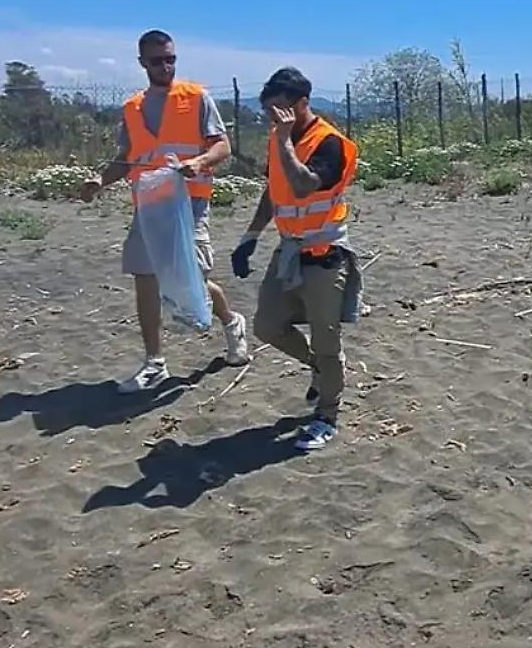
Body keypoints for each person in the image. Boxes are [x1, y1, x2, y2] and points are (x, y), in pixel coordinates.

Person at [80, 29, 249, 391]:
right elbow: (126, 158)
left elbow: (222, 146)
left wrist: (200, 162)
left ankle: (231, 321)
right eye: (157, 61)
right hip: (149, 206)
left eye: (171, 59)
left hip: (190, 203)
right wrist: (100, 180)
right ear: (142, 63)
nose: (165, 66)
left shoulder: (196, 97)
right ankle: (154, 362)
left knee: (194, 278)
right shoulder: (132, 108)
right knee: (146, 279)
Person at [231, 67, 360, 453]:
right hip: (289, 250)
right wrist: (250, 236)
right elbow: (275, 189)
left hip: (326, 254)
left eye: (280, 110)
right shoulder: (278, 139)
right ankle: (319, 369)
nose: (274, 118)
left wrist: (285, 141)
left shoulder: (330, 143)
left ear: (303, 103)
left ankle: (327, 415)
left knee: (327, 339)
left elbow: (303, 185)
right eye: (269, 112)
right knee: (267, 325)